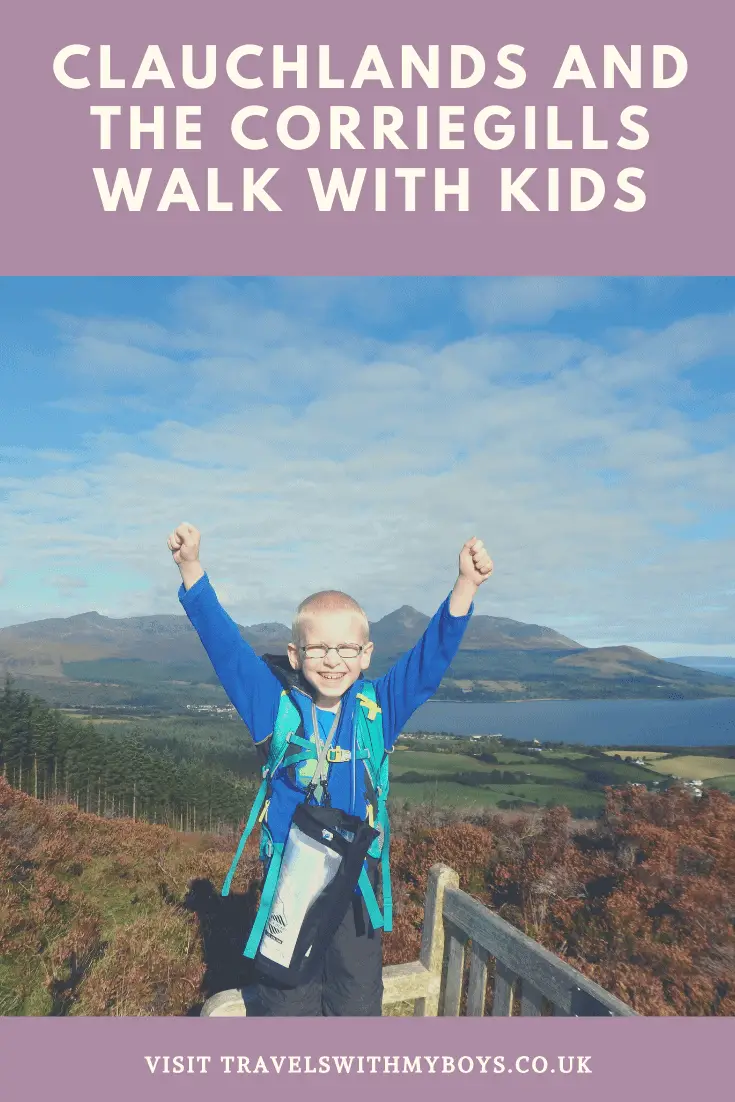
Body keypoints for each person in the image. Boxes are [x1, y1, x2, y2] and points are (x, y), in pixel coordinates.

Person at [168, 522, 493, 1016]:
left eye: (346, 649)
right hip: (289, 883)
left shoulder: (376, 710)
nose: (333, 660)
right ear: (296, 656)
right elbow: (226, 650)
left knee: (357, 1003)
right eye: (319, 649)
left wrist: (465, 587)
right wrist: (191, 569)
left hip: (355, 885)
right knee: (287, 1004)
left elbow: (428, 663)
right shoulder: (273, 708)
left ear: (365, 656)